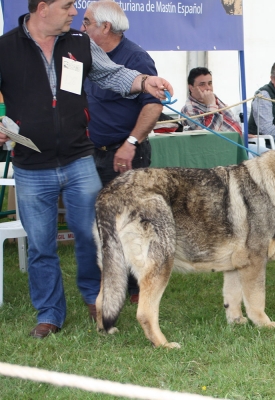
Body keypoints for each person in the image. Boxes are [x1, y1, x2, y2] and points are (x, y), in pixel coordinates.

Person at [0, 0, 173, 339]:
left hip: (80, 160)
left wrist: (143, 82)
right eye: (66, 6)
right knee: (40, 245)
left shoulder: (79, 42)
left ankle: (98, 298)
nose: (72, 13)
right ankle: (49, 313)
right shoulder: (6, 47)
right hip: (31, 165)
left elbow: (112, 73)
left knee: (93, 236)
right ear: (43, 8)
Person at [82, 0, 163, 304]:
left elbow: (153, 104)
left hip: (127, 153)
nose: (82, 28)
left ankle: (137, 286)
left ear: (104, 27)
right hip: (93, 152)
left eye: (87, 22)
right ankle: (112, 281)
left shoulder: (135, 57)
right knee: (104, 221)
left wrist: (130, 143)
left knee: (132, 223)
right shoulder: (88, 56)